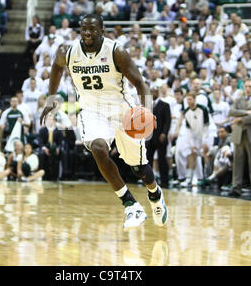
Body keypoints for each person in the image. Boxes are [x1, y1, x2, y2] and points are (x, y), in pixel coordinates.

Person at [40, 14, 168, 231]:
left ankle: (155, 193)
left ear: (102, 30)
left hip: (122, 111)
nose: (87, 33)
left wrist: (146, 110)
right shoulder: (68, 52)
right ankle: (130, 204)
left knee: (139, 168)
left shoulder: (116, 51)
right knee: (98, 148)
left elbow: (140, 83)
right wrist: (51, 99)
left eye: (92, 29)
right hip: (92, 111)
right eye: (84, 30)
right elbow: (56, 68)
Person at [228, 79, 251, 198]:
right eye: (246, 86)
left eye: (250, 86)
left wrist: (241, 119)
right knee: (237, 162)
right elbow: (231, 111)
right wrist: (246, 112)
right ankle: (236, 187)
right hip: (239, 133)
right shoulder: (239, 99)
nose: (248, 88)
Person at [146, 86, 171, 188]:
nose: (153, 93)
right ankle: (149, 180)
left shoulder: (165, 105)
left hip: (161, 136)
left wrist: (164, 133)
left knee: (162, 160)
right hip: (150, 137)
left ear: (158, 92)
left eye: (155, 91)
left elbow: (168, 121)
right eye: (151, 92)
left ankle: (164, 181)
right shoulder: (147, 106)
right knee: (148, 159)